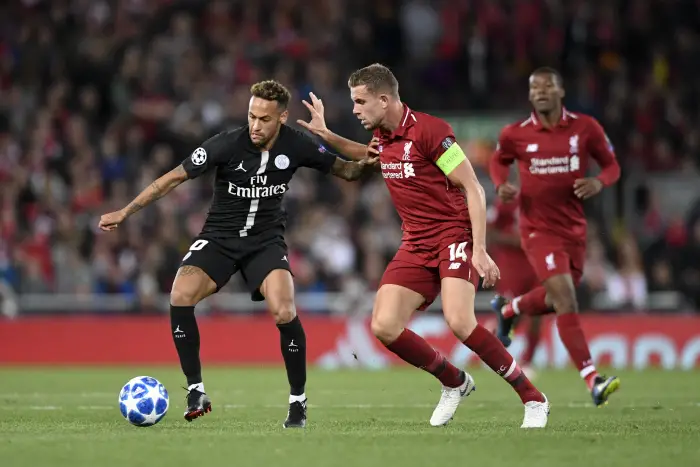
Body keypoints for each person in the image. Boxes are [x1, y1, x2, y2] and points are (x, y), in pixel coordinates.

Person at [98, 80, 377, 428]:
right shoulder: (226, 143)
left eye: (264, 119)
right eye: (251, 116)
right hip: (220, 237)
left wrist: (364, 149)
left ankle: (298, 402)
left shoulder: (297, 144)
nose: (255, 125)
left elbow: (348, 170)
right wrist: (125, 211)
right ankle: (196, 391)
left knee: (284, 309)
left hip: (265, 241)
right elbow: (172, 178)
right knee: (180, 294)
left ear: (282, 118)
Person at [298, 63, 549, 428]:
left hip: (453, 235)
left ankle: (533, 397)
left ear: (384, 100)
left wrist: (479, 249)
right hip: (415, 241)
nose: (355, 109)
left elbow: (473, 187)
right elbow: (368, 156)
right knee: (384, 325)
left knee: (460, 321)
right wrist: (326, 135)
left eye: (360, 101)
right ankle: (454, 381)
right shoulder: (383, 137)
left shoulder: (432, 132)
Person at [488, 67, 621, 406]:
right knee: (566, 300)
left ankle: (509, 310)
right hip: (537, 230)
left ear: (561, 91)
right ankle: (593, 380)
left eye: (548, 86)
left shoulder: (586, 127)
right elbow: (498, 161)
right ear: (530, 94)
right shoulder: (515, 133)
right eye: (535, 87)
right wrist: (501, 184)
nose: (541, 92)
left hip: (574, 229)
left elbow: (612, 166)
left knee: (555, 297)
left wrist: (599, 182)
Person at [486, 198, 541, 379]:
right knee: (510, 315)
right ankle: (494, 350)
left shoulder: (545, 199)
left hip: (536, 265)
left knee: (537, 312)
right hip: (511, 267)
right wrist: (515, 240)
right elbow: (490, 233)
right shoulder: (506, 202)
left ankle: (528, 361)